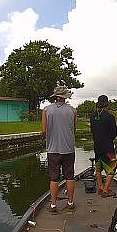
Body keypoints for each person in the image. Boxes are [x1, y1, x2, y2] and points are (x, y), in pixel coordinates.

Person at [42, 85, 77, 214]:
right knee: (70, 176)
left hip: (53, 149)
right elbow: (74, 130)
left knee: (54, 178)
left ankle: (53, 205)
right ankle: (70, 202)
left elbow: (44, 131)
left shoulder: (46, 110)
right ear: (65, 97)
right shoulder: (73, 111)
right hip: (68, 149)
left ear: (56, 96)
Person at [90, 95, 117, 197]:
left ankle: (100, 188)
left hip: (97, 146)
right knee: (112, 169)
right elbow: (114, 133)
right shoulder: (110, 117)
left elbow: (92, 131)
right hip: (108, 147)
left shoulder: (92, 116)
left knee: (98, 168)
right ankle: (106, 190)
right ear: (107, 104)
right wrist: (109, 139)